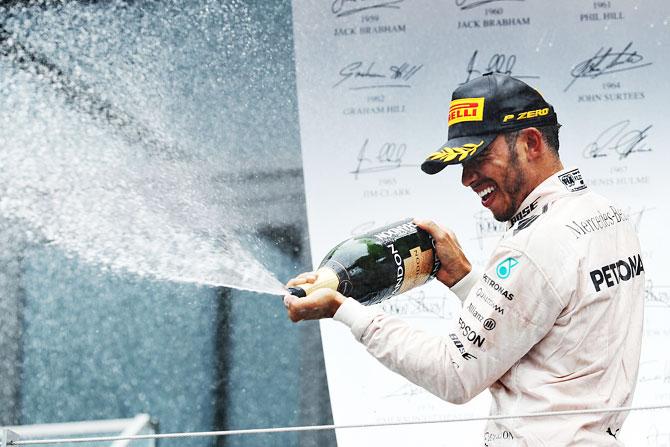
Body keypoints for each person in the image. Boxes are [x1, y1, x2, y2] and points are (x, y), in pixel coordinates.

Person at [283, 73, 645, 446]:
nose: (467, 178)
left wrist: (343, 310)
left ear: (531, 142)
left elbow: (454, 375)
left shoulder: (534, 244)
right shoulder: (609, 217)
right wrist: (464, 280)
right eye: (461, 163)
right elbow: (540, 333)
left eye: (480, 156)